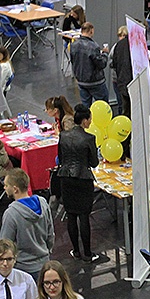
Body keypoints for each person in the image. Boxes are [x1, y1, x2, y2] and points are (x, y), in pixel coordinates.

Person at [58, 104, 101, 262]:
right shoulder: (89, 138)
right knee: (84, 217)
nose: (90, 122)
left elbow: (61, 158)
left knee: (71, 215)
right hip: (83, 179)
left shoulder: (63, 136)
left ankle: (75, 250)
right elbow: (94, 163)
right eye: (89, 119)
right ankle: (88, 253)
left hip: (66, 179)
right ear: (84, 120)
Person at [0, 168, 54, 277]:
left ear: (15, 189)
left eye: (6, 185)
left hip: (23, 268)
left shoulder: (11, 213)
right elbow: (50, 234)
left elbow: (5, 245)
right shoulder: (43, 203)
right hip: (44, 264)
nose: (4, 187)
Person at [70, 22, 110, 106]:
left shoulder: (73, 45)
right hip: (95, 82)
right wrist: (105, 54)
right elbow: (101, 64)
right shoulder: (93, 46)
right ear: (91, 31)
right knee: (103, 104)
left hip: (81, 81)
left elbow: (73, 61)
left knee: (85, 106)